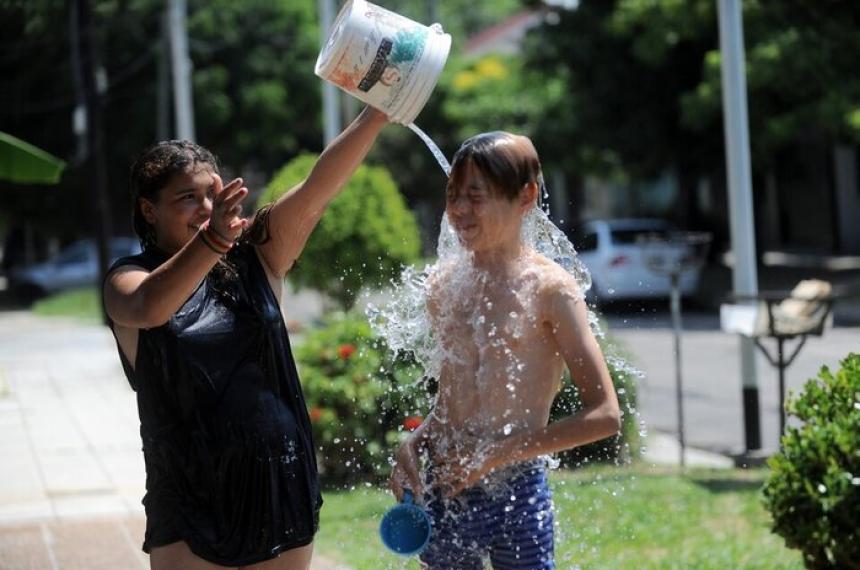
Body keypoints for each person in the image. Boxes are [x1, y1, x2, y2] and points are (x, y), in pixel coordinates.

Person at [103, 106, 388, 569]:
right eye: (187, 198)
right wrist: (212, 240)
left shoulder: (257, 254)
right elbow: (151, 309)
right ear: (149, 209)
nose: (205, 209)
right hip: (188, 497)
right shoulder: (129, 280)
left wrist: (375, 115)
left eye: (211, 195)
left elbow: (318, 189)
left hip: (279, 482)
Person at [389, 131, 622, 569]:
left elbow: (605, 415)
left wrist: (496, 455)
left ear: (526, 196)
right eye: (452, 196)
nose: (458, 210)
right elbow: (455, 401)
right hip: (447, 488)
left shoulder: (550, 289)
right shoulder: (444, 286)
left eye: (475, 196)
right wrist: (417, 442)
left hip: (517, 491)